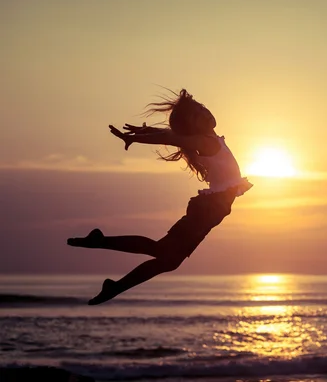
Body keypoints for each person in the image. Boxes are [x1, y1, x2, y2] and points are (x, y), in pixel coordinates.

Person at [67, 89, 252, 305]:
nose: (205, 114)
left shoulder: (211, 139)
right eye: (197, 115)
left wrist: (143, 133)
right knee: (163, 253)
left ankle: (114, 284)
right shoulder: (206, 143)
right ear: (193, 127)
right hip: (208, 210)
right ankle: (102, 249)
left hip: (212, 210)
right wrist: (135, 138)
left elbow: (174, 136)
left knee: (167, 259)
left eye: (202, 109)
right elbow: (170, 137)